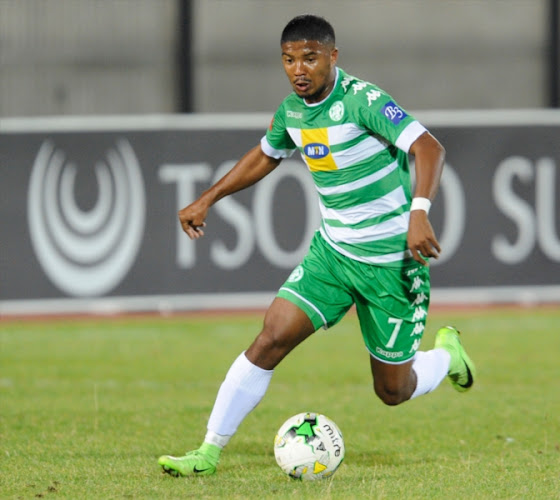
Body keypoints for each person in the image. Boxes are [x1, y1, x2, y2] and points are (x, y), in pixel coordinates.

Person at [158, 14, 475, 477]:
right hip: (333, 256)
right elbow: (267, 153)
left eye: (309, 57)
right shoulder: (292, 111)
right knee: (270, 338)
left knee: (392, 390)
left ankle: (447, 356)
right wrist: (209, 198)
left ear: (333, 56)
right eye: (289, 60)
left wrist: (419, 211)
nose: (298, 69)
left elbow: (429, 148)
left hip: (392, 265)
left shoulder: (364, 101)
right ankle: (207, 451)